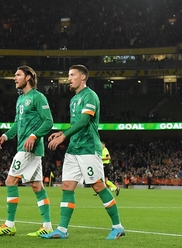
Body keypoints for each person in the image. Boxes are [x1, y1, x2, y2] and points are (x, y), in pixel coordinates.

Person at [42, 65, 125, 240]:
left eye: (72, 75)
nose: (69, 78)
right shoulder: (74, 100)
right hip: (74, 150)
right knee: (67, 187)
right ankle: (62, 230)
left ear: (83, 78)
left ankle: (117, 227)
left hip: (88, 149)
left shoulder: (90, 96)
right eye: (68, 75)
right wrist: (62, 132)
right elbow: (76, 123)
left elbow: (85, 121)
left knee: (98, 186)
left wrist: (63, 136)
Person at [0, 66, 54, 237]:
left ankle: (9, 225)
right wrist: (6, 135)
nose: (14, 78)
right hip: (25, 148)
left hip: (29, 149)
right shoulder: (20, 100)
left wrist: (34, 135)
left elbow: (48, 122)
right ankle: (47, 226)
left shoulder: (38, 97)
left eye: (18, 75)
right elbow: (17, 124)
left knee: (11, 181)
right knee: (37, 186)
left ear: (28, 78)